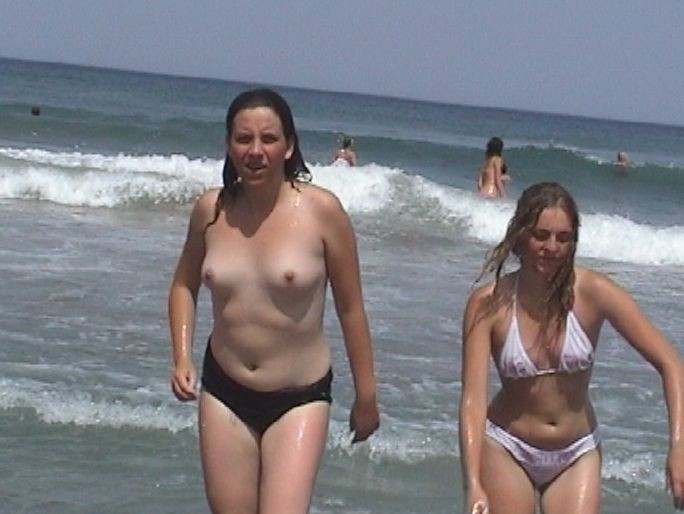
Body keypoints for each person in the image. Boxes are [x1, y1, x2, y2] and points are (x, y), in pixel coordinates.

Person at [168, 88, 379, 514]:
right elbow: (183, 286)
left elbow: (351, 308)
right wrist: (182, 358)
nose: (256, 151)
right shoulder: (211, 211)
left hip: (299, 396)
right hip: (224, 389)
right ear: (229, 145)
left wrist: (366, 395)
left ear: (289, 146)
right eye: (243, 139)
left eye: (269, 138)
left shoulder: (322, 212)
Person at [459, 181, 684, 514]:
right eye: (541, 235)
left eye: (563, 238)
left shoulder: (595, 292)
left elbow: (670, 363)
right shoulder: (488, 304)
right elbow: (473, 400)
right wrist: (473, 483)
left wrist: (678, 447)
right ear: (520, 234)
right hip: (507, 447)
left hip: (576, 452)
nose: (552, 247)